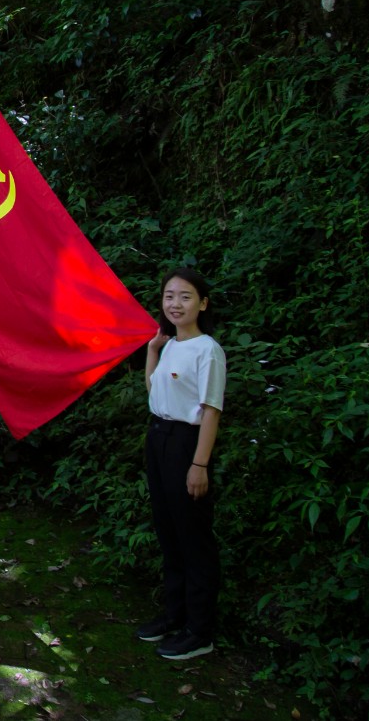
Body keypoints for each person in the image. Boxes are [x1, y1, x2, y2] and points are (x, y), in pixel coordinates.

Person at [136, 267, 226, 662]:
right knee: (168, 532)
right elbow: (155, 390)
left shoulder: (208, 349)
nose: (175, 303)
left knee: (193, 537)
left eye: (185, 296)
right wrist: (153, 351)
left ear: (202, 304)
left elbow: (210, 411)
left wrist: (199, 464)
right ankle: (175, 616)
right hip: (158, 439)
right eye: (169, 295)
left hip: (187, 445)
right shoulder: (170, 344)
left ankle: (199, 630)